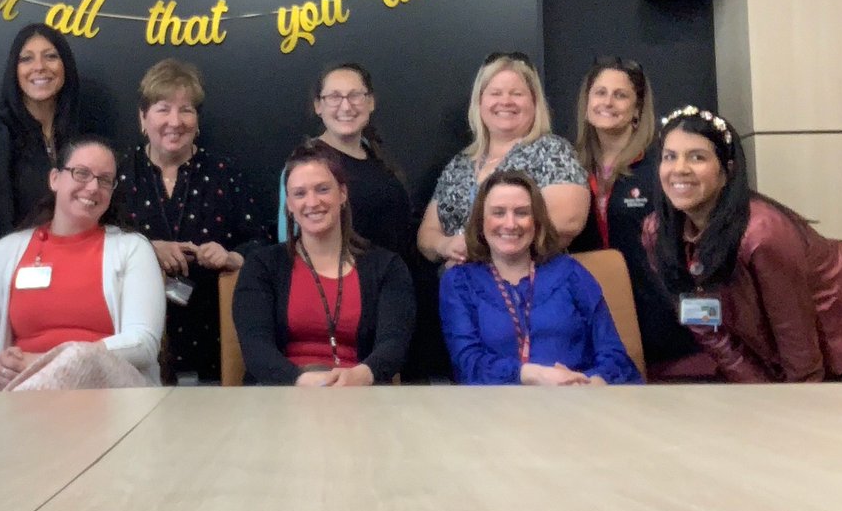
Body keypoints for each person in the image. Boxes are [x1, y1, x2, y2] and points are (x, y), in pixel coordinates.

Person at [643, 106, 842, 382]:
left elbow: (800, 351)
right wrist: (756, 392)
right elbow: (705, 325)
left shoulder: (762, 233)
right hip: (784, 356)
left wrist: (792, 407)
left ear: (727, 171)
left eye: (697, 157)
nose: (679, 169)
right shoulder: (657, 232)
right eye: (670, 157)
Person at [0, 136, 165, 388]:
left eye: (104, 180)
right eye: (81, 173)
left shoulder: (133, 249)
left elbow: (143, 344)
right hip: (24, 393)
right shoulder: (6, 252)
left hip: (109, 396)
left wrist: (48, 362)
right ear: (54, 178)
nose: (92, 187)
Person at [115, 59, 268, 382]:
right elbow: (94, 243)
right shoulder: (117, 174)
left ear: (197, 121)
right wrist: (145, 248)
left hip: (216, 337)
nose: (175, 121)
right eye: (162, 109)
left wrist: (231, 257)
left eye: (186, 110)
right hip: (133, 344)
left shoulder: (225, 174)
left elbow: (264, 243)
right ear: (142, 118)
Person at [233, 141, 415, 386]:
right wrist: (303, 381)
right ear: (288, 204)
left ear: (342, 193)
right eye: (299, 193)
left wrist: (360, 376)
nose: (312, 202)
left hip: (360, 395)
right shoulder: (262, 266)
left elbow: (394, 344)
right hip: (281, 395)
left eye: (322, 189)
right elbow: (256, 348)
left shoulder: (387, 267)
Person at [440, 170, 642, 385]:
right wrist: (535, 375)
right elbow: (468, 365)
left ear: (536, 220)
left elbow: (613, 354)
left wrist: (591, 382)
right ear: (480, 221)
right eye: (498, 213)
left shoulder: (570, 273)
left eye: (521, 213)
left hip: (577, 402)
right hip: (495, 408)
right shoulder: (460, 282)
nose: (510, 224)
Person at [568, 57, 695, 367]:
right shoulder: (569, 167)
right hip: (594, 317)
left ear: (637, 109)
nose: (607, 102)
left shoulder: (661, 165)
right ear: (587, 103)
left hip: (659, 321)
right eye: (600, 93)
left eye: (620, 95)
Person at [418, 52, 589, 267]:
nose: (505, 101)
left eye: (516, 94)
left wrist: (477, 249)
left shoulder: (552, 151)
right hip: (462, 290)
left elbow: (568, 220)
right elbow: (426, 235)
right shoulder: (460, 164)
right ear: (479, 103)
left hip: (529, 286)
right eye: (495, 93)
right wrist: (446, 245)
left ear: (534, 102)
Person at [0, 23, 79, 284]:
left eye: (50, 56)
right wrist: (16, 282)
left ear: (65, 66)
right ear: (14, 70)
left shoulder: (76, 138)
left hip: (60, 274)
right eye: (27, 58)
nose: (39, 67)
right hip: (1, 282)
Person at [276, 63, 412, 258]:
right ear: (318, 106)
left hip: (394, 279)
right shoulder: (305, 164)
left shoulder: (374, 152)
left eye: (355, 95)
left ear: (371, 102)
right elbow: (290, 245)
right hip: (347, 284)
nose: (346, 106)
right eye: (334, 97)